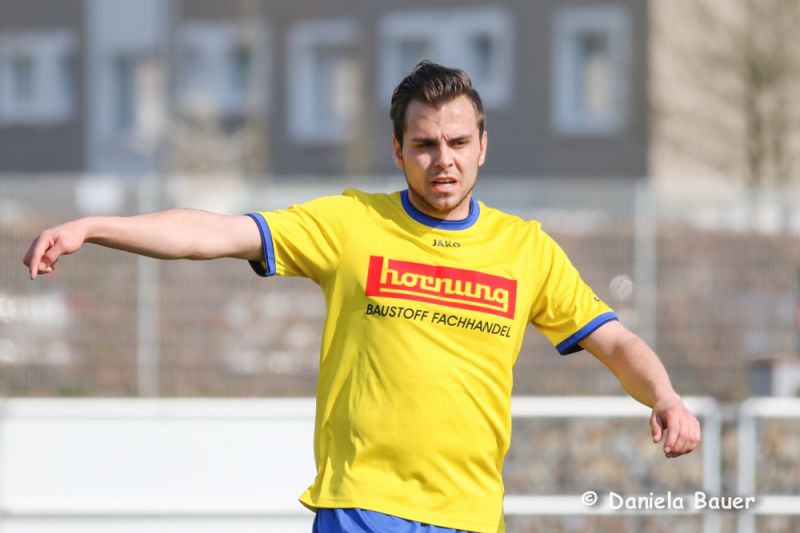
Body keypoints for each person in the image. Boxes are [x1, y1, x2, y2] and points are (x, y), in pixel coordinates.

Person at [23, 61, 700, 533]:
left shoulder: (526, 248)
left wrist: (665, 395)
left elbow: (614, 340)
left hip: (471, 513)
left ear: (483, 147)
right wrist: (95, 226)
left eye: (458, 142)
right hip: (362, 507)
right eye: (425, 145)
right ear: (398, 151)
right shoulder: (352, 224)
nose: (444, 160)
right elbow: (214, 233)